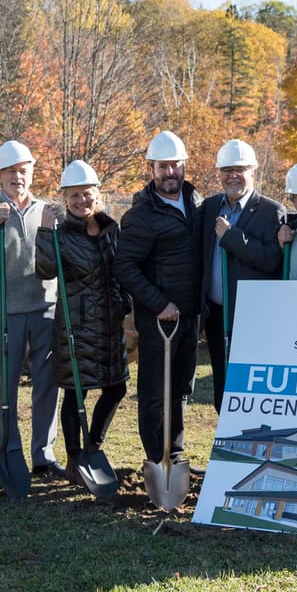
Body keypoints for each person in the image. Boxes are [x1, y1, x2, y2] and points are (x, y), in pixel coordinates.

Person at [34, 160, 129, 486]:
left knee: (116, 387)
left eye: (86, 193)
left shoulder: (111, 229)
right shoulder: (60, 235)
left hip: (110, 323)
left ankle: (94, 447)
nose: (81, 200)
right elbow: (45, 270)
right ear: (64, 198)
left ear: (97, 193)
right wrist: (44, 231)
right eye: (74, 195)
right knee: (76, 393)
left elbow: (121, 271)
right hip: (77, 325)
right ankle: (75, 459)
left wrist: (125, 302)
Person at [0, 140, 64, 478]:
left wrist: (50, 229)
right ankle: (9, 449)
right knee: (6, 386)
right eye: (10, 171)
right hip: (4, 312)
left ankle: (43, 454)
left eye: (23, 170)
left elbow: (57, 261)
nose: (17, 177)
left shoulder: (48, 211)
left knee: (47, 384)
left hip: (46, 309)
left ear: (32, 172)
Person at [112, 131, 202, 467]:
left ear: (184, 166)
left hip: (190, 317)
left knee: (180, 390)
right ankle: (156, 458)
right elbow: (124, 266)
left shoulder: (196, 204)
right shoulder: (141, 215)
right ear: (151, 168)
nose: (170, 172)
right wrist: (159, 303)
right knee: (155, 393)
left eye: (175, 165)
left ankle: (174, 454)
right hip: (159, 320)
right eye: (163, 166)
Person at [199, 139, 285, 412]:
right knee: (222, 385)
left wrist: (232, 237)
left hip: (252, 317)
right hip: (216, 314)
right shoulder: (210, 207)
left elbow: (271, 260)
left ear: (253, 171)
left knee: (249, 388)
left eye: (240, 169)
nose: (233, 176)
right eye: (227, 170)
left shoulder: (271, 211)